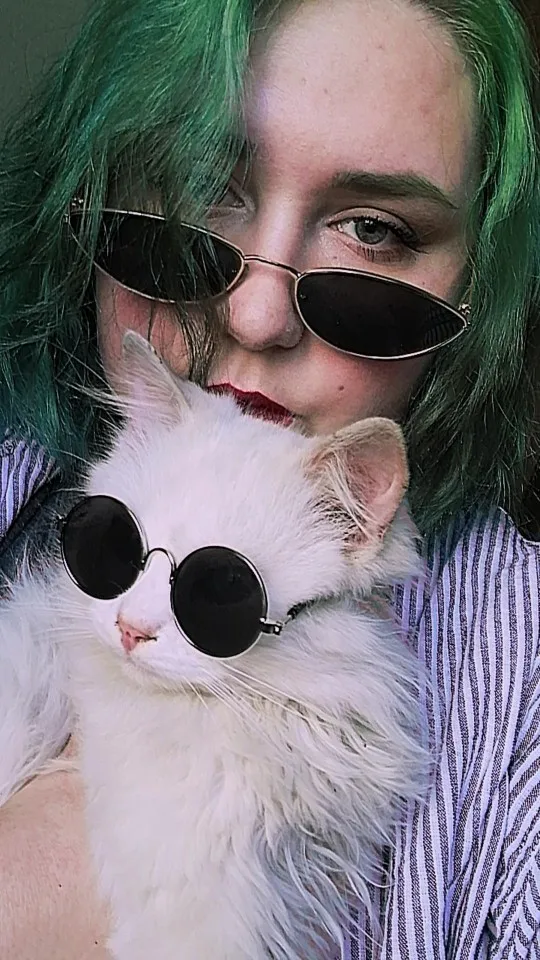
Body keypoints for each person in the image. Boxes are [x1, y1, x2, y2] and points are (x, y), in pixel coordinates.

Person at [0, 0, 539, 957]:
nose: (254, 315)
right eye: (200, 182)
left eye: (373, 230)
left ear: (474, 290)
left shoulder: (519, 679)